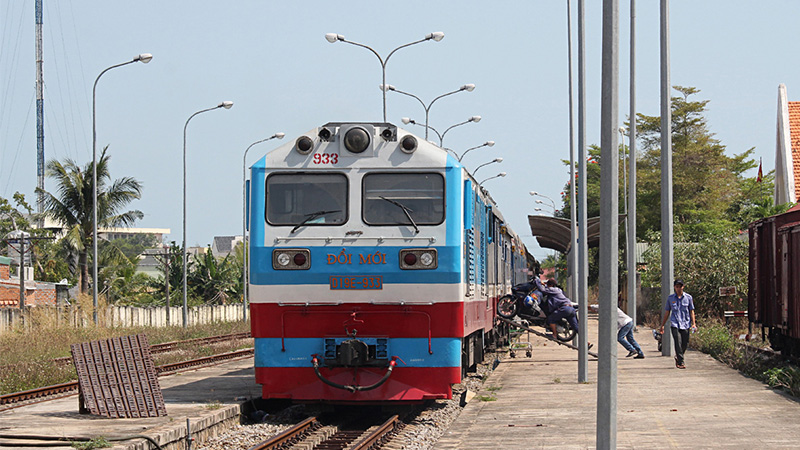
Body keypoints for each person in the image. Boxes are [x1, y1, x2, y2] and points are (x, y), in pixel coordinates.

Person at [533, 277, 591, 349]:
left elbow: (542, 290)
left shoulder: (553, 289)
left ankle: (554, 335)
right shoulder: (558, 290)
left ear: (551, 285)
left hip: (564, 309)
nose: (547, 286)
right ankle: (586, 342)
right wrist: (543, 284)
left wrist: (537, 281)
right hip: (571, 309)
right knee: (576, 327)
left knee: (550, 319)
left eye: (548, 285)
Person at [659, 279, 697, 369]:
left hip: (686, 323)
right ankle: (680, 362)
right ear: (674, 287)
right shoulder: (670, 298)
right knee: (677, 342)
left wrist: (694, 323)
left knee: (685, 343)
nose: (679, 288)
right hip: (675, 324)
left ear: (683, 287)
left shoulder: (688, 297)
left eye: (680, 286)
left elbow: (691, 311)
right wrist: (662, 325)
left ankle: (678, 356)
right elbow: (667, 312)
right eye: (677, 287)